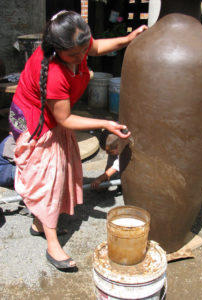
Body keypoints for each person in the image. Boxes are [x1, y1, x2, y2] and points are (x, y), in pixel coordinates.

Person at [8, 10, 147, 271]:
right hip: (35, 122)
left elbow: (94, 47)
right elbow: (65, 119)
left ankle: (39, 223)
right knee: (48, 179)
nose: (82, 57)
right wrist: (106, 123)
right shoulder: (52, 72)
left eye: (83, 51)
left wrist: (128, 38)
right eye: (74, 55)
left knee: (62, 170)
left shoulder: (77, 46)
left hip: (53, 118)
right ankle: (52, 244)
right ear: (55, 49)